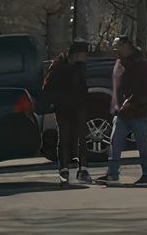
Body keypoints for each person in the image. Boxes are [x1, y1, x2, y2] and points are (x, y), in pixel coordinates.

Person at [104, 36, 147, 186]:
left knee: (142, 146)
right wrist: (115, 104)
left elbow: (146, 88)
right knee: (115, 144)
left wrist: (132, 101)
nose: (115, 50)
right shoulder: (119, 63)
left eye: (117, 47)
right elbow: (117, 87)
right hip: (120, 113)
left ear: (126, 46)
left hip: (138, 113)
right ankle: (112, 174)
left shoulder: (139, 64)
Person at [42, 41, 90, 185]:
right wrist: (53, 102)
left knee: (82, 138)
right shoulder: (58, 66)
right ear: (75, 54)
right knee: (64, 138)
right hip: (63, 108)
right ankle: (64, 170)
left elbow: (83, 85)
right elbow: (47, 86)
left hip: (78, 107)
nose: (85, 57)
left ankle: (84, 169)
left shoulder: (80, 67)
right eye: (83, 54)